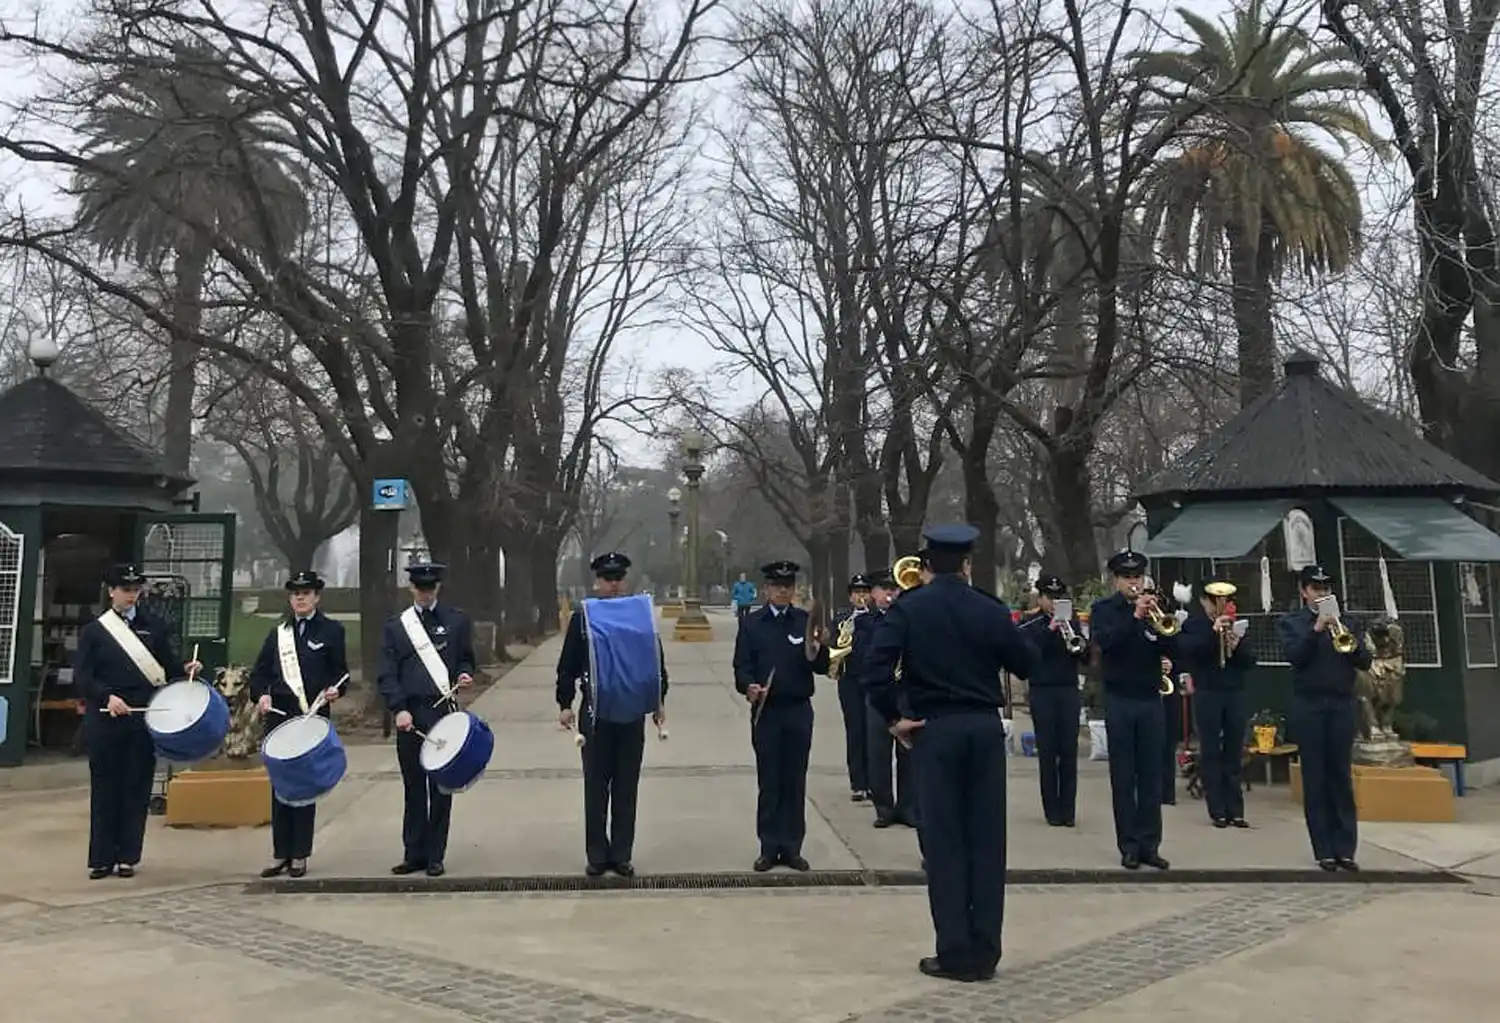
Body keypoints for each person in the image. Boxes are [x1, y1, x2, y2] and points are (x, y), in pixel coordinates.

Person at [863, 524, 1037, 983]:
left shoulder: (909, 608)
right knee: (985, 839)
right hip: (982, 728)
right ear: (966, 564)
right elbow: (1025, 663)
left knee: (944, 843)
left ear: (926, 567)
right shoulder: (989, 609)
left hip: (933, 729)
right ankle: (985, 951)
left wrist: (893, 718)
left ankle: (954, 950)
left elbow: (875, 671)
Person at [74, 563, 200, 880]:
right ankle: (101, 858)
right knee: (106, 788)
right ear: (111, 591)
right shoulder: (94, 631)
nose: (131, 595)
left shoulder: (153, 627)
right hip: (107, 717)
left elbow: (168, 669)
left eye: (135, 590)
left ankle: (128, 856)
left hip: (143, 717)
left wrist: (188, 668)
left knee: (136, 787)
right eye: (125, 589)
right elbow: (83, 677)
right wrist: (106, 697)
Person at [556, 551, 669, 877]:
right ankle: (596, 855)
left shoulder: (640, 616)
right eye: (607, 579)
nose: (614, 584)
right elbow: (568, 666)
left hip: (631, 714)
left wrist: (659, 702)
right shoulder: (584, 618)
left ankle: (621, 854)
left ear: (625, 580)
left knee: (626, 788)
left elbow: (654, 663)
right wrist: (565, 703)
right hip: (595, 716)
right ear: (597, 582)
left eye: (618, 578)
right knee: (596, 788)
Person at [377, 562, 477, 877]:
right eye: (419, 588)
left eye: (429, 588)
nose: (424, 593)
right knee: (413, 786)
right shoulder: (396, 626)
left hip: (442, 711)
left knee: (441, 786)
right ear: (412, 589)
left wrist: (464, 673)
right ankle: (414, 853)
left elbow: (465, 657)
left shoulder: (457, 620)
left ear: (437, 588)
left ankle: (436, 854)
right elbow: (387, 673)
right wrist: (398, 708)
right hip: (410, 712)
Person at [732, 560, 831, 872]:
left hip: (798, 710)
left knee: (794, 779)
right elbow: (741, 666)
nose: (783, 590)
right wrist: (749, 687)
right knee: (770, 779)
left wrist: (821, 646)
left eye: (788, 586)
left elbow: (819, 666)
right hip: (767, 712)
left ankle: (791, 847)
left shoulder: (804, 621)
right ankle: (768, 845)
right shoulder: (752, 624)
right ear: (766, 590)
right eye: (777, 586)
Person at [249, 569, 349, 878]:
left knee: (304, 787)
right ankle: (280, 853)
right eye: (295, 593)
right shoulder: (278, 633)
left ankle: (300, 854)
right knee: (280, 786)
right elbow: (260, 673)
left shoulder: (331, 631)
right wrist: (262, 695)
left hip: (311, 717)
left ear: (317, 596)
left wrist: (336, 690)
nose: (300, 598)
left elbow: (340, 674)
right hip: (280, 717)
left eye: (306, 593)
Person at [1276, 564, 1371, 871]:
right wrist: (1317, 629)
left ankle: (1346, 849)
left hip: (1342, 704)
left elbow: (1365, 661)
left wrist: (1345, 635)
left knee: (1340, 777)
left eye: (1326, 588)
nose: (1322, 594)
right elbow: (1296, 657)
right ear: (1304, 592)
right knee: (1314, 778)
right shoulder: (1291, 623)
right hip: (1309, 705)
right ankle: (1324, 850)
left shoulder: (1349, 622)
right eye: (1316, 588)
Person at [1090, 549, 1175, 871]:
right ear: (1116, 580)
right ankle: (1128, 845)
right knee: (1124, 776)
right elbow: (1107, 644)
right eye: (1127, 578)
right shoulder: (1104, 610)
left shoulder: (1158, 608)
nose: (1133, 583)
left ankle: (1150, 845)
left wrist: (1166, 630)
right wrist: (1134, 617)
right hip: (1120, 698)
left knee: (1152, 775)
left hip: (1150, 697)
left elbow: (1171, 645)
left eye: (1137, 577)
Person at [1175, 579, 1255, 828]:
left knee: (1234, 750)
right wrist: (1213, 635)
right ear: (1203, 601)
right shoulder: (1194, 625)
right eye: (1214, 601)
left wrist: (1236, 644)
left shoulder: (1236, 625)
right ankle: (1217, 810)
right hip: (1208, 691)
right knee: (1210, 751)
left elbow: (1250, 660)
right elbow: (1190, 652)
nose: (1219, 606)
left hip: (1234, 692)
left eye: (1224, 600)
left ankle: (1236, 809)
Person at [1017, 573, 1087, 827]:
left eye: (1059, 597)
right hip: (1042, 690)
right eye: (1051, 597)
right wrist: (1050, 630)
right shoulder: (1031, 623)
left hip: (1067, 689)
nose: (1055, 602)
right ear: (1041, 598)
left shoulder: (1074, 621)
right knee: (1047, 751)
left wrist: (1080, 643)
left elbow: (1083, 654)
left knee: (1069, 750)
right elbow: (1028, 653)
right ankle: (1052, 811)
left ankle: (1068, 810)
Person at [854, 568, 918, 828]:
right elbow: (864, 658)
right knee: (878, 753)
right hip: (880, 693)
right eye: (884, 589)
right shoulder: (864, 622)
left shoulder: (909, 619)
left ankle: (908, 807)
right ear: (873, 593)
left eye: (894, 589)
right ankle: (884, 807)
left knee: (909, 753)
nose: (890, 594)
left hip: (906, 692)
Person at [835, 573, 873, 803]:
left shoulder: (877, 618)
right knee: (855, 730)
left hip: (871, 681)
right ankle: (858, 783)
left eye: (865, 592)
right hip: (849, 680)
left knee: (873, 732)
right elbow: (833, 645)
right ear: (850, 596)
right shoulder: (841, 618)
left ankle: (874, 781)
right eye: (857, 592)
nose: (861, 596)